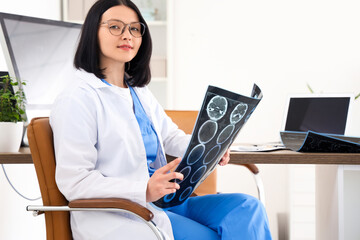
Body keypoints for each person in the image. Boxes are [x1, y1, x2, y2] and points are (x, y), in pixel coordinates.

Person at [50, 0, 272, 239]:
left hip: (165, 201)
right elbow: (75, 181)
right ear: (93, 32)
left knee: (247, 209)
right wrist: (143, 189)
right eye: (115, 27)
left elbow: (170, 137)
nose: (127, 35)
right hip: (123, 213)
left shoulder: (138, 91)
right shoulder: (78, 98)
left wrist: (210, 148)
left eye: (135, 29)